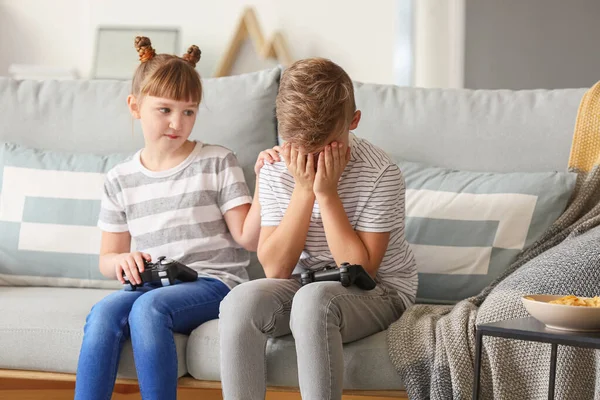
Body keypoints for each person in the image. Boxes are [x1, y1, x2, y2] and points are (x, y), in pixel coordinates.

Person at [74, 36, 278, 400]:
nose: (177, 122)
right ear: (135, 106)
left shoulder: (217, 161)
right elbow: (108, 259)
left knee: (149, 310)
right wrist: (123, 260)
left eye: (188, 111)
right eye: (165, 110)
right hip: (153, 282)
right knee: (104, 314)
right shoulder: (120, 178)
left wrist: (264, 180)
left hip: (215, 283)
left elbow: (248, 239)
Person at [218, 57, 418, 400]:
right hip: (303, 282)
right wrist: (304, 189)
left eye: (324, 147)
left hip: (378, 291)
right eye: (299, 148)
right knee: (240, 301)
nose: (309, 161)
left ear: (353, 122)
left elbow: (362, 269)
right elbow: (276, 269)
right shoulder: (278, 167)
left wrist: (326, 193)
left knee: (314, 302)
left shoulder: (381, 173)